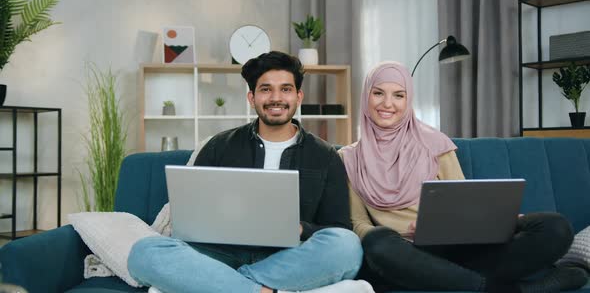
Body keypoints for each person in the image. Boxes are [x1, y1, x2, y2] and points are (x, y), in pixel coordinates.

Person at [127, 51, 373, 293]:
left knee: (347, 247)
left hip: (289, 257)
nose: (276, 98)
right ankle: (262, 290)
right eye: (266, 89)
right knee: (144, 252)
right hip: (221, 253)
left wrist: (299, 228)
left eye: (285, 89)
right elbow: (190, 219)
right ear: (251, 97)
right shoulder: (218, 146)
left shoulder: (325, 155)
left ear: (298, 96)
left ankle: (226, 284)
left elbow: (338, 228)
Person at [340, 61, 589, 293]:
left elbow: (461, 201)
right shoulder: (348, 158)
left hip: (456, 247)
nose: (387, 104)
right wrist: (401, 234)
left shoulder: (435, 143)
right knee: (376, 244)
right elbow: (358, 223)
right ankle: (511, 289)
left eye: (398, 95)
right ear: (366, 97)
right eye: (378, 93)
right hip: (404, 255)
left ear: (408, 100)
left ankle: (468, 283)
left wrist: (497, 220)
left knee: (556, 227)